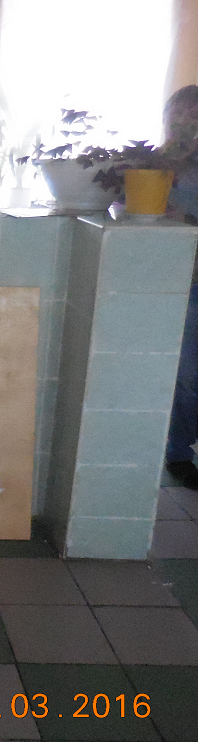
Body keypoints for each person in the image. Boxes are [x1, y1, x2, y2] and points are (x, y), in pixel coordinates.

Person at [163, 85, 198, 490]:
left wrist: (186, 217)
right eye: (179, 115)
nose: (186, 124)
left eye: (194, 117)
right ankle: (178, 453)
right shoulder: (149, 164)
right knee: (187, 377)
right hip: (171, 283)